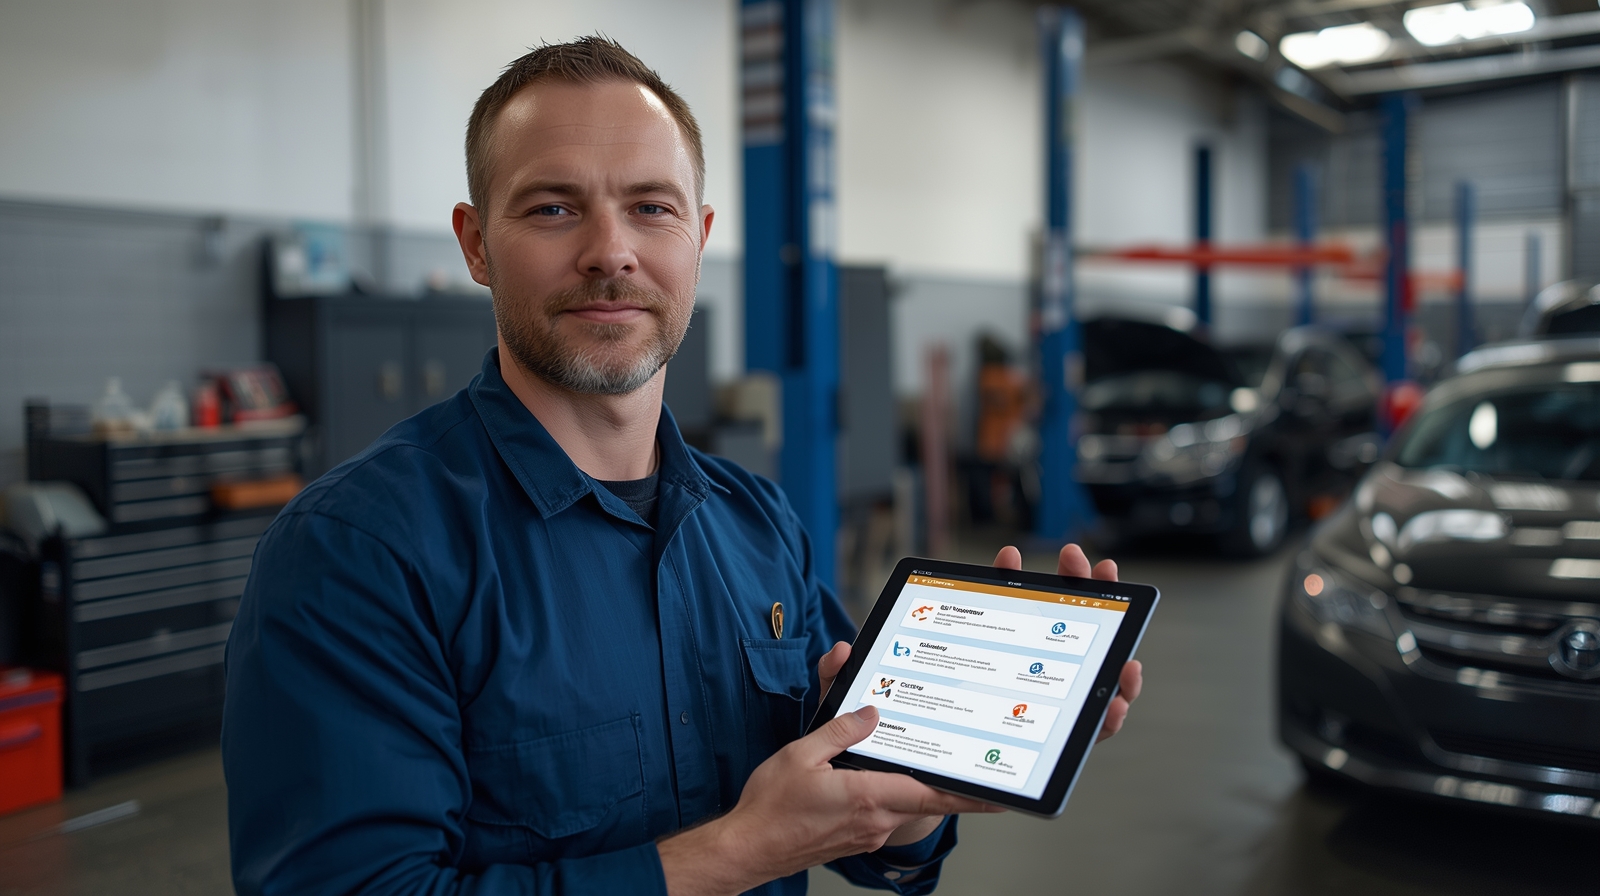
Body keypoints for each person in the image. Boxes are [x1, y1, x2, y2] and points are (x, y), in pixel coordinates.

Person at [222, 36, 1141, 896]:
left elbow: (849, 812)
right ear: (474, 244)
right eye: (553, 208)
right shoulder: (358, 552)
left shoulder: (757, 524)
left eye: (650, 208)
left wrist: (921, 789)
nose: (610, 251)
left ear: (697, 236)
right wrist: (740, 849)